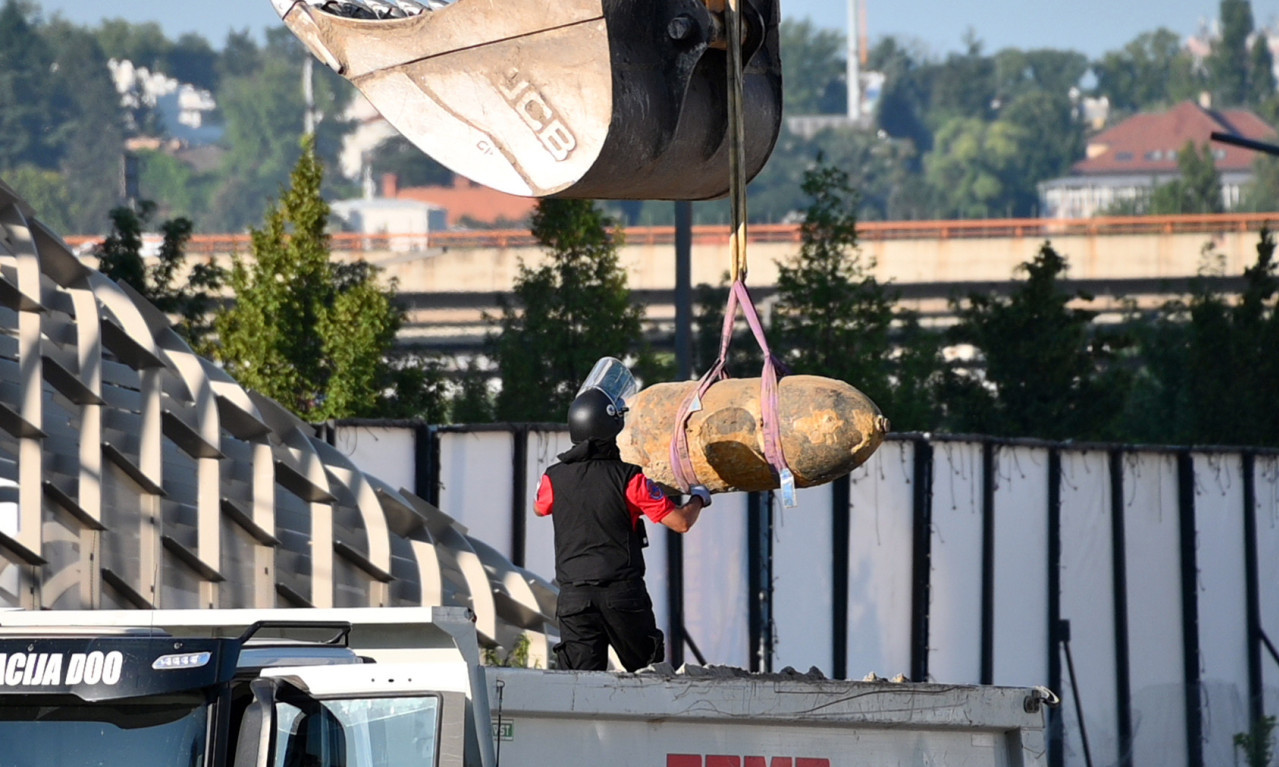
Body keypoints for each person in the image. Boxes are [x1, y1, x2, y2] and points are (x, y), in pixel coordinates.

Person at [535, 357, 711, 672]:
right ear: (611, 427)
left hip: (574, 600)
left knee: (577, 683)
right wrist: (699, 497)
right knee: (647, 675)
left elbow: (540, 507)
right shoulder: (630, 479)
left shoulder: (553, 478)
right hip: (621, 596)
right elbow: (681, 522)